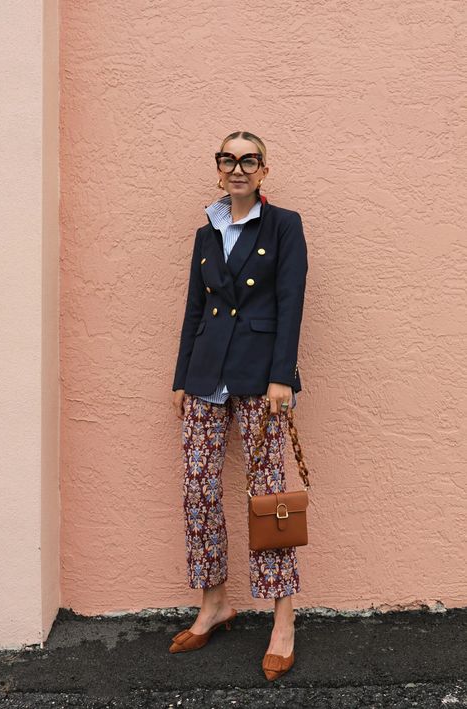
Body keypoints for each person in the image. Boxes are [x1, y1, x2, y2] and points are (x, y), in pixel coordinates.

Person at [170, 130, 308, 680]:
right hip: (206, 375)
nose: (238, 168)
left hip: (259, 378)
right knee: (199, 492)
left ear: (264, 170)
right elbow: (194, 310)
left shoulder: (284, 225)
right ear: (219, 167)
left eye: (249, 159)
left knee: (268, 497)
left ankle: (282, 621)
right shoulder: (208, 231)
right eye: (229, 159)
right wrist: (183, 376)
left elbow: (291, 301)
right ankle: (215, 604)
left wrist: (282, 376)